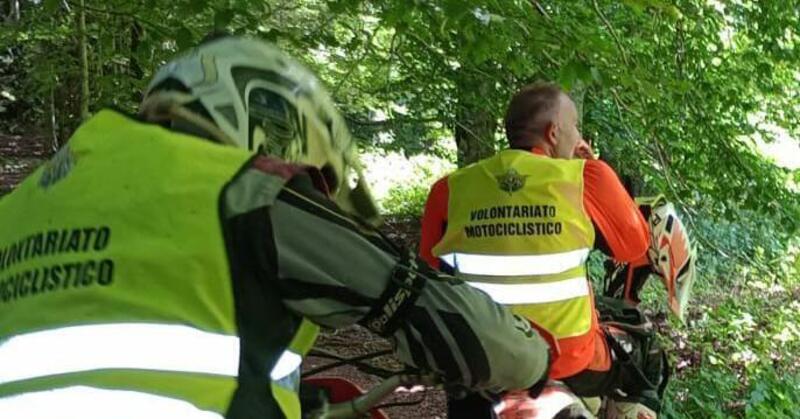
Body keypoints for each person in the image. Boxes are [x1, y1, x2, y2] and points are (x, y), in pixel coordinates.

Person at [0, 37, 551, 418]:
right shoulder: (239, 191)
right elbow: (486, 342)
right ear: (250, 125)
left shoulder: (21, 208)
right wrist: (539, 357)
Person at [419, 83, 665, 418]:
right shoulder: (584, 177)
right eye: (576, 126)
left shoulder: (449, 188)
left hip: (478, 355)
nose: (579, 135)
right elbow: (634, 247)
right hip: (566, 358)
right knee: (648, 353)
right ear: (553, 132)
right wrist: (594, 166)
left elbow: (428, 271)